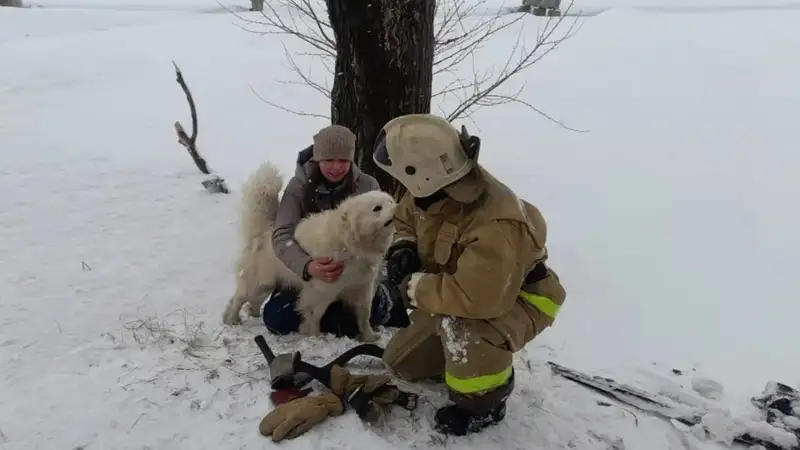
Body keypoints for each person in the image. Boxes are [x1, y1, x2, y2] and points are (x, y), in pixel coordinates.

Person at [372, 114, 568, 436]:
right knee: (401, 363)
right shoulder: (429, 188)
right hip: (461, 289)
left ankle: (485, 402)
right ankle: (460, 361)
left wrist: (414, 288)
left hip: (518, 297)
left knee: (462, 328)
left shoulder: (496, 223)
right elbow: (405, 220)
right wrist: (403, 247)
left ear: (422, 172)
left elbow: (479, 298)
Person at [260, 124, 411, 337]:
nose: (336, 167)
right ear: (317, 158)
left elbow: (385, 226)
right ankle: (330, 315)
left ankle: (382, 297)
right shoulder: (298, 186)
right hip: (309, 274)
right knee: (276, 319)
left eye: (343, 160)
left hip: (357, 274)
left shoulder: (367, 185)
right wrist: (307, 266)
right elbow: (282, 236)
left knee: (369, 313)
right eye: (329, 160)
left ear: (351, 160)